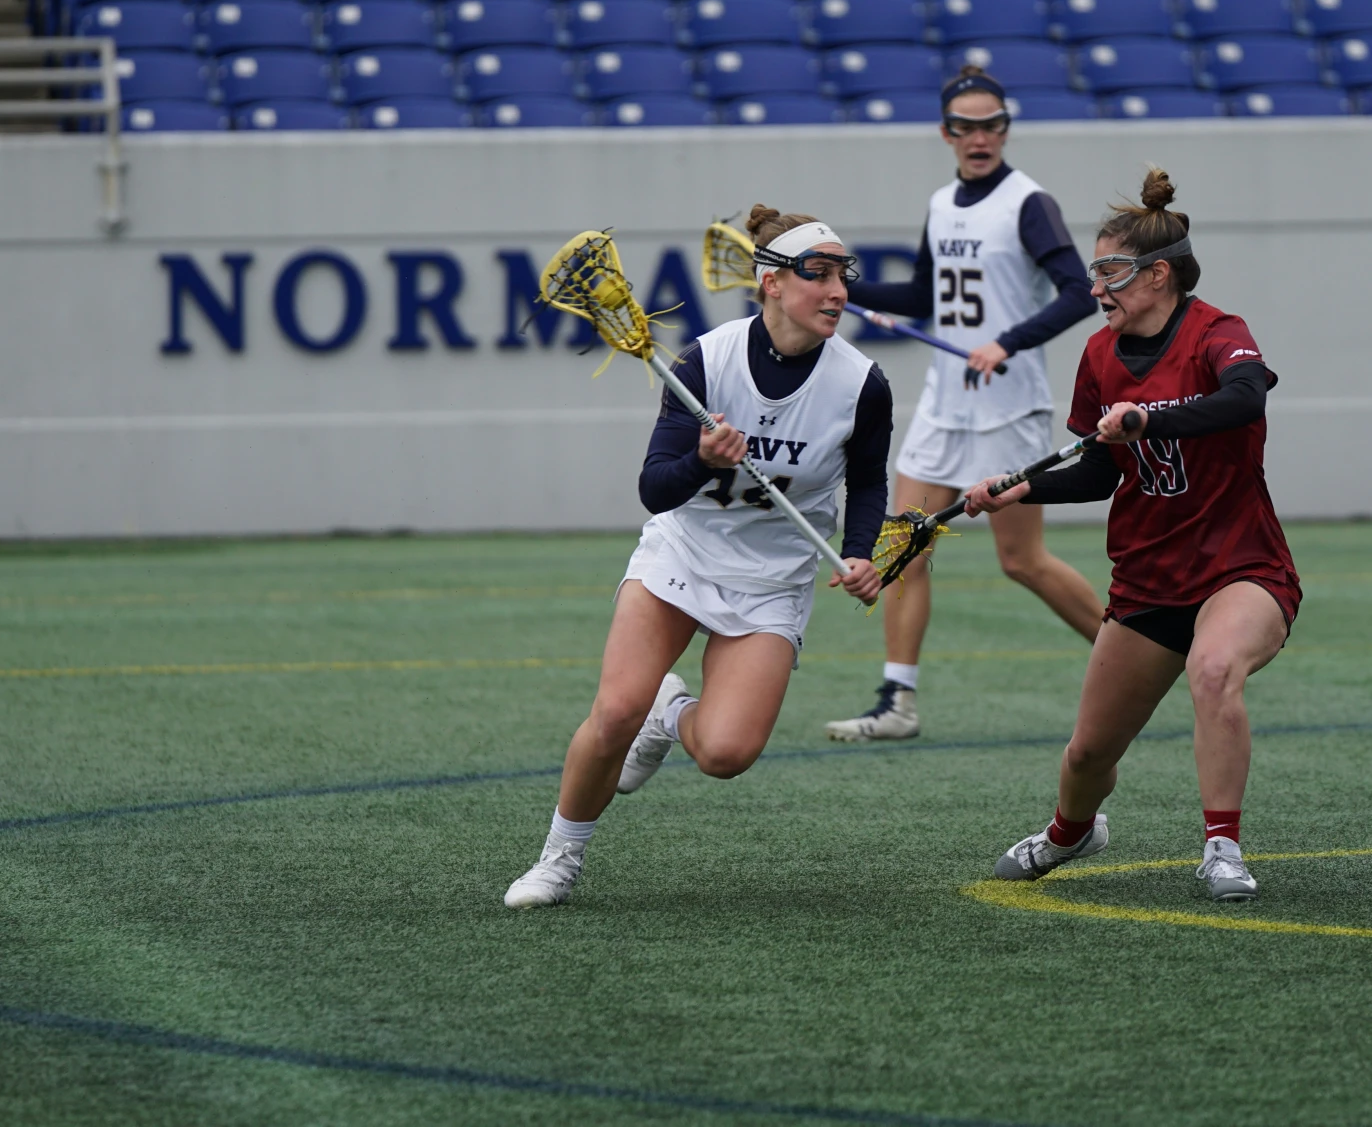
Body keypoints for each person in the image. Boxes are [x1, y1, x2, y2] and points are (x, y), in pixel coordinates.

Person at [504, 207, 890, 909]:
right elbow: (655, 489)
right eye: (820, 274)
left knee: (723, 753)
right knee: (615, 710)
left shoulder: (861, 383)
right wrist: (702, 461)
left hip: (772, 579)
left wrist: (861, 553)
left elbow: (866, 482)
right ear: (771, 283)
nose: (838, 290)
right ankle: (559, 856)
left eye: (844, 275)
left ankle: (670, 714)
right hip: (685, 550)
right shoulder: (704, 361)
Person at [965, 169, 1300, 903]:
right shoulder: (1099, 355)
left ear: (1158, 274)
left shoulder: (1220, 333)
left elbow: (1243, 400)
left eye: (1110, 272)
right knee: (1087, 752)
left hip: (1240, 567)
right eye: (1094, 272)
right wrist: (1019, 485)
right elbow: (1095, 470)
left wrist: (1152, 419)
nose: (1097, 289)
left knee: (1214, 672)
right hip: (1149, 577)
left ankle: (1222, 847)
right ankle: (1070, 832)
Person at [823, 66, 1105, 743]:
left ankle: (1136, 654)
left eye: (992, 124)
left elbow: (1077, 291)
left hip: (1008, 405)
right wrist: (842, 287)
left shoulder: (1028, 203)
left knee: (1021, 560)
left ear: (1006, 128)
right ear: (946, 133)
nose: (979, 137)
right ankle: (898, 701)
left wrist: (1006, 342)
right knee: (904, 546)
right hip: (945, 404)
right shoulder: (943, 202)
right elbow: (926, 294)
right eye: (965, 126)